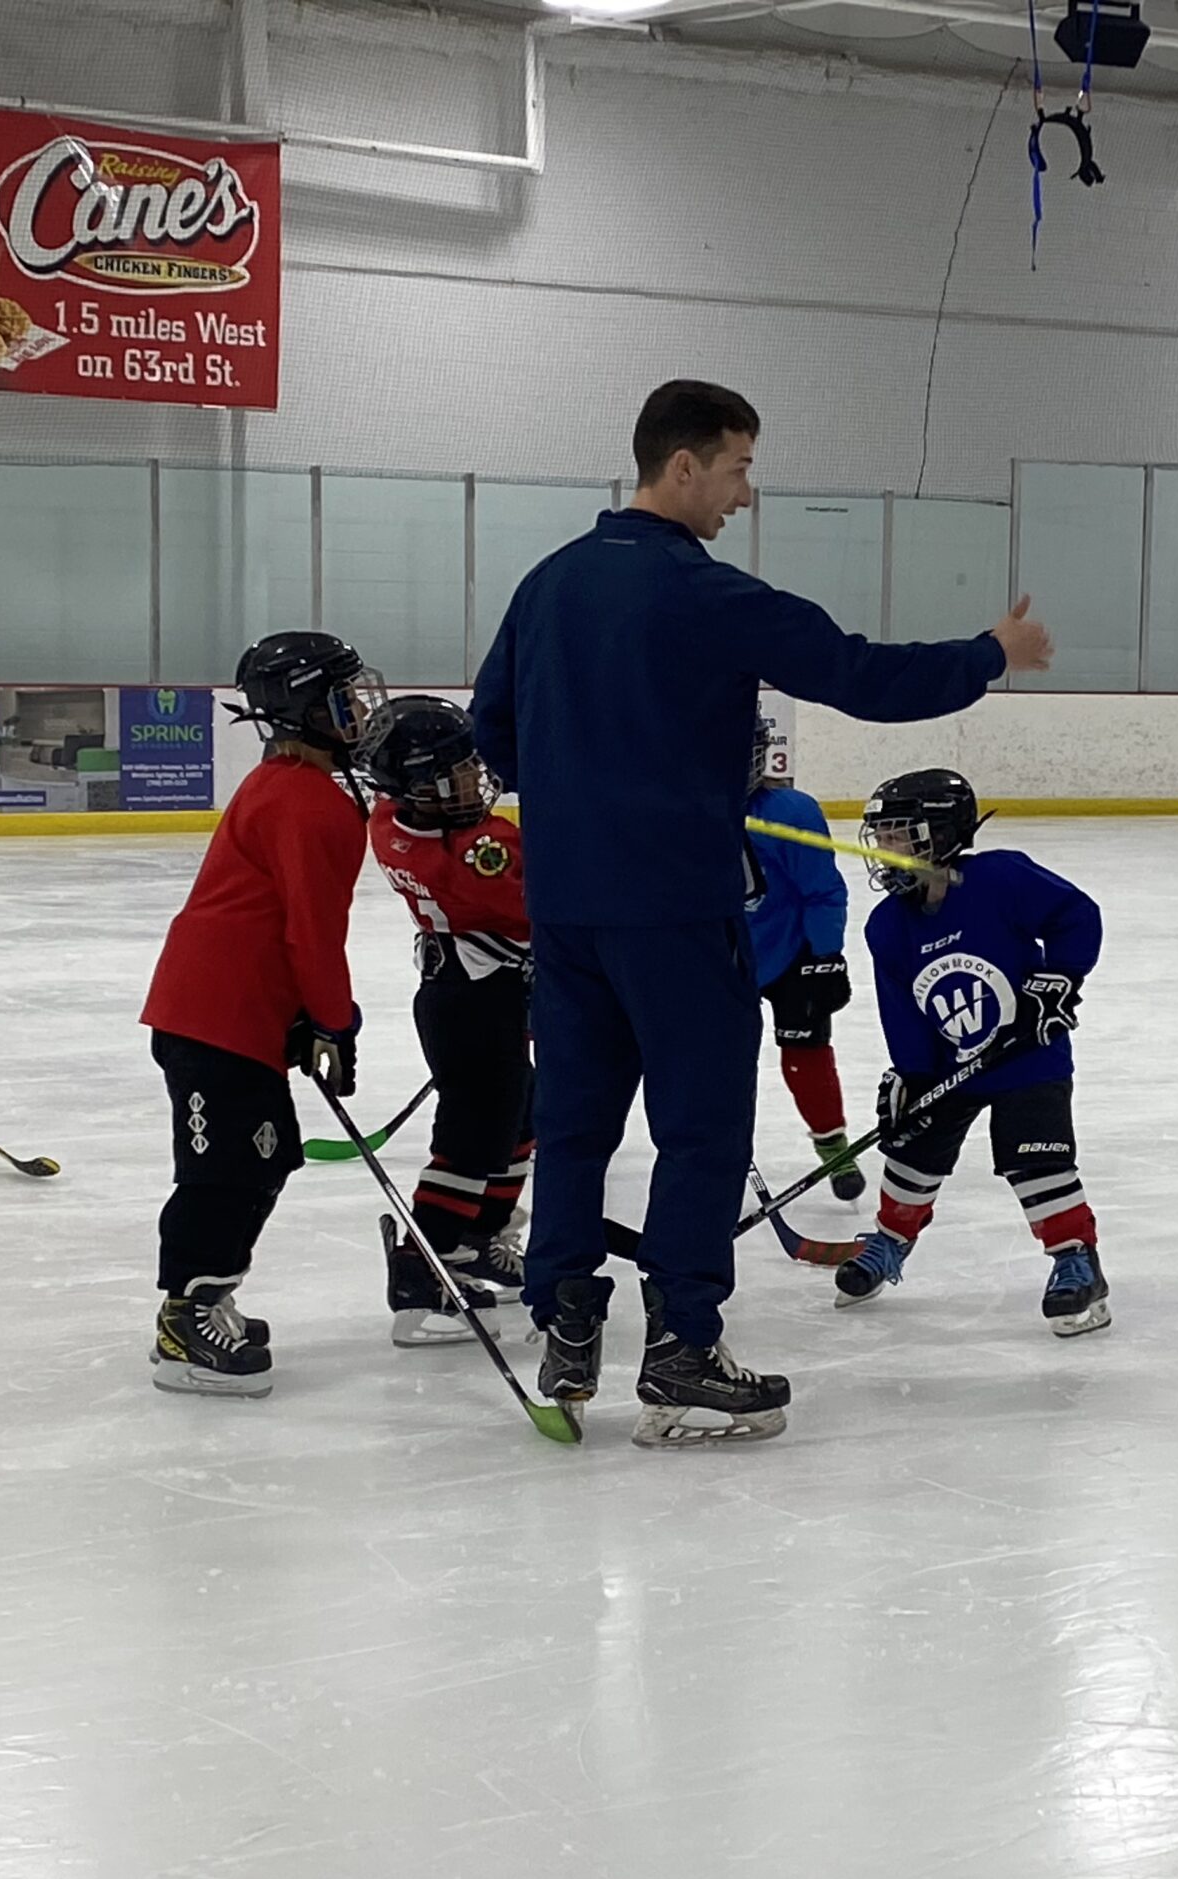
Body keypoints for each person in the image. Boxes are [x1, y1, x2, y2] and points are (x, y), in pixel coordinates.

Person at [471, 378, 1053, 1448]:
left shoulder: (547, 584)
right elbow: (857, 675)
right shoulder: (705, 596)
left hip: (566, 911)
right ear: (682, 465)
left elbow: (492, 726)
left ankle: (564, 1322)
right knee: (699, 1130)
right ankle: (682, 1344)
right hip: (677, 913)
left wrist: (578, 803)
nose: (744, 494)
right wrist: (989, 655)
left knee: (574, 1125)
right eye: (738, 467)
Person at [142, 632, 379, 1397]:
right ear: (305, 711)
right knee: (224, 1170)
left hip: (240, 1011)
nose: (360, 711)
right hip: (213, 1014)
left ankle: (210, 1296)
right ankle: (188, 1317)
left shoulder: (295, 786)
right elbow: (311, 932)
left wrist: (310, 1016)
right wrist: (333, 1020)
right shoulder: (307, 805)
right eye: (344, 698)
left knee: (266, 1156)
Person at [832, 770, 1109, 1334]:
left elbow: (1076, 915)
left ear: (940, 831)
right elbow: (903, 1008)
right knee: (913, 1154)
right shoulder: (888, 924)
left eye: (897, 834)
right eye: (879, 835)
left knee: (1037, 1159)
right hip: (951, 1063)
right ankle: (889, 1242)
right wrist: (912, 1077)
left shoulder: (1001, 878)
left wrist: (1055, 981)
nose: (884, 848)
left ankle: (1076, 1260)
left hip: (1028, 1052)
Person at [357, 695, 537, 1344]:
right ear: (418, 787)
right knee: (471, 1141)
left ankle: (472, 1241)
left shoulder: (390, 819)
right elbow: (540, 905)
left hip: (462, 992)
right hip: (478, 999)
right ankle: (418, 1271)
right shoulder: (480, 851)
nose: (473, 780)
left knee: (522, 1114)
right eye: (453, 773)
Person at [745, 712, 863, 1202]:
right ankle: (716, 1150)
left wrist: (826, 955)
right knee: (718, 1063)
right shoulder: (684, 808)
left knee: (806, 1055)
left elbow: (821, 890)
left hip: (790, 954)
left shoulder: (791, 812)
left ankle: (834, 1147)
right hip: (718, 958)